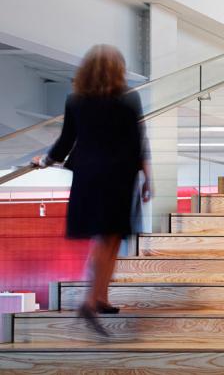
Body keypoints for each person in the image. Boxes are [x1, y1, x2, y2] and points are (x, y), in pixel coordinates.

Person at [32, 45, 152, 337]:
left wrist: (44, 161)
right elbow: (138, 141)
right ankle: (89, 300)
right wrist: (149, 177)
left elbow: (65, 142)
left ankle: (100, 297)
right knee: (109, 238)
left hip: (88, 177)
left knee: (107, 237)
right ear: (118, 70)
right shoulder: (129, 99)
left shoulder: (76, 101)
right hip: (119, 176)